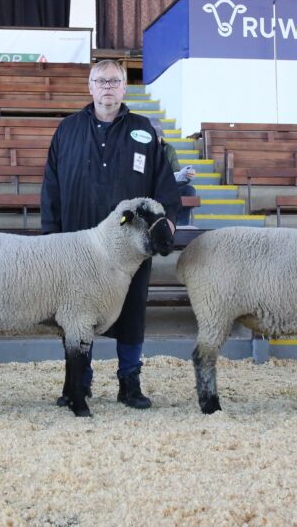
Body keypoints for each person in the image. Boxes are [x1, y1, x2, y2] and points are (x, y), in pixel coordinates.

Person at [41, 59, 180, 410]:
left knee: (132, 312)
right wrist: (50, 237)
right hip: (77, 248)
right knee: (77, 315)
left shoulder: (144, 131)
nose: (107, 87)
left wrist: (168, 222)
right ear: (89, 86)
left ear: (124, 88)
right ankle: (78, 383)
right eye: (100, 81)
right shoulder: (67, 130)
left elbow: (163, 187)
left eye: (114, 81)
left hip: (130, 249)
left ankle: (129, 382)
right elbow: (51, 189)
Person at [150, 118, 197, 226]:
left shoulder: (169, 149)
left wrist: (186, 175)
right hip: (148, 188)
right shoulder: (140, 149)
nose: (156, 139)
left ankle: (181, 225)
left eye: (157, 136)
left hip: (167, 186)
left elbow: (176, 172)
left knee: (189, 190)